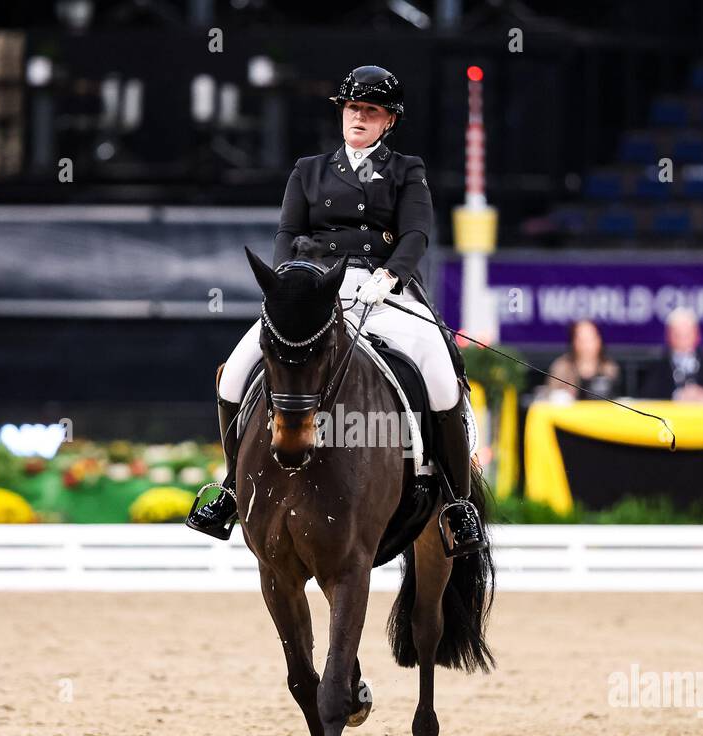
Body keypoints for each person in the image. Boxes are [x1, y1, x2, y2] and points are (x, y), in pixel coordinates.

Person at [187, 65, 485, 554]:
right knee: (235, 372)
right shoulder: (309, 170)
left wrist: (389, 276)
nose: (359, 118)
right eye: (353, 109)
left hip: (385, 289)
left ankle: (457, 504)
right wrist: (287, 284)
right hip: (314, 289)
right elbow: (286, 234)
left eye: (371, 111)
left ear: (389, 120)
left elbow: (415, 234)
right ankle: (230, 488)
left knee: (440, 375)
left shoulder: (408, 170)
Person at [641, 307, 703, 402]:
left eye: (687, 335)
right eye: (678, 335)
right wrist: (678, 395)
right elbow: (648, 395)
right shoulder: (659, 363)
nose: (683, 341)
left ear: (697, 335)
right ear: (668, 336)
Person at [544, 320, 620, 401]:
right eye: (581, 340)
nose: (586, 345)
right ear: (573, 342)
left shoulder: (609, 367)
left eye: (590, 339)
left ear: (599, 341)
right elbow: (548, 398)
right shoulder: (561, 367)